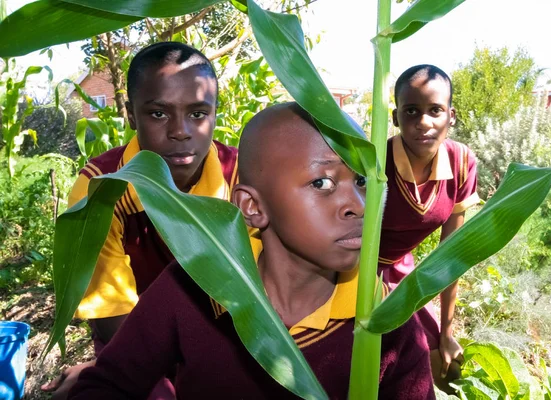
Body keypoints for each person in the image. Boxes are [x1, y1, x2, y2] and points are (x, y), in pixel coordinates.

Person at [66, 102, 435, 399]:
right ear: (252, 208)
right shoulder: (194, 287)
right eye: (321, 182)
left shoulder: (387, 320)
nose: (357, 205)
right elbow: (108, 384)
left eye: (361, 180)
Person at [41, 42, 241, 400]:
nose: (181, 131)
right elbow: (113, 314)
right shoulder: (101, 187)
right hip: (133, 340)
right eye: (159, 114)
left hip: (231, 338)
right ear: (132, 115)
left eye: (198, 113)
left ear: (214, 113)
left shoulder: (244, 176)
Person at [378, 65, 480, 390]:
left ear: (451, 116)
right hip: (352, 271)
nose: (424, 122)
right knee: (403, 356)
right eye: (412, 111)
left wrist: (447, 333)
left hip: (400, 272)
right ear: (395, 118)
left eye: (435, 110)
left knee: (444, 361)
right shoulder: (375, 162)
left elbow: (450, 258)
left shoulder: (462, 163)